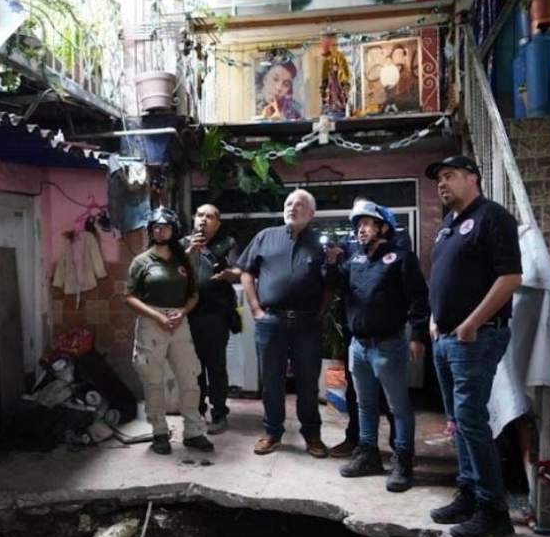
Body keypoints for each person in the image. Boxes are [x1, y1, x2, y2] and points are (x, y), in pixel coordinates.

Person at [425, 155, 523, 537]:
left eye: (449, 176)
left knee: (471, 419)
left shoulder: (492, 217)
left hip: (475, 337)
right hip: (446, 337)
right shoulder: (448, 225)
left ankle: (493, 509)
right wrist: (435, 319)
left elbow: (510, 277)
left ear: (473, 178)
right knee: (457, 421)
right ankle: (467, 492)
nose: (441, 183)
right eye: (438, 178)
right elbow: (444, 278)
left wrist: (472, 322)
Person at [326, 201, 429, 491]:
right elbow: (337, 287)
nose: (360, 229)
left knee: (398, 407)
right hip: (358, 346)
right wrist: (332, 263)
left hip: (388, 345)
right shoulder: (355, 259)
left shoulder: (401, 258)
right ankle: (368, 454)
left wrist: (417, 335)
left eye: (367, 223)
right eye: (358, 225)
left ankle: (403, 461)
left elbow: (419, 298)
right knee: (365, 404)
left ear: (383, 227)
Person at [238, 189, 332, 458]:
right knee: (271, 381)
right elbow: (246, 272)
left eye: (300, 204)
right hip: (271, 321)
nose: (292, 207)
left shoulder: (320, 244)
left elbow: (330, 284)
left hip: (307, 323)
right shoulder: (265, 237)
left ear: (311, 213)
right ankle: (272, 433)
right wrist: (256, 309)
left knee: (308, 383)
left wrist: (320, 312)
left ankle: (312, 435)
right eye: (289, 203)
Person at [124, 207, 214, 455]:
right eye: (156, 227)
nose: (160, 231)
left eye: (165, 227)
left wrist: (183, 312)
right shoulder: (141, 261)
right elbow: (129, 297)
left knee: (190, 378)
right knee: (153, 381)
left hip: (179, 322)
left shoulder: (182, 260)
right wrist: (157, 316)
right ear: (150, 231)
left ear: (174, 230)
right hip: (151, 323)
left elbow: (193, 295)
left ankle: (193, 432)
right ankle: (160, 433)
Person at [181, 204, 242, 434]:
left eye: (210, 216)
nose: (204, 219)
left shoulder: (227, 243)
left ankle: (219, 414)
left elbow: (239, 271)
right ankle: (196, 413)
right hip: (188, 315)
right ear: (194, 219)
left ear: (217, 223)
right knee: (192, 368)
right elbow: (172, 272)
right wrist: (190, 251)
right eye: (200, 215)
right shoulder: (182, 244)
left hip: (216, 315)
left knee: (216, 367)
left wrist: (229, 274)